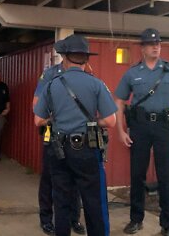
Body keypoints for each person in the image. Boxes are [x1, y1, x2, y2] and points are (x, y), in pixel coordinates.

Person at [34, 34, 117, 236]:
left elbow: (38, 120)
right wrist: (91, 122)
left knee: (61, 202)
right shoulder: (96, 84)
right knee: (93, 202)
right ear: (86, 58)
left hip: (59, 150)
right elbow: (110, 121)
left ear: (65, 56)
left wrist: (56, 120)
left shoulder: (52, 84)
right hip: (87, 150)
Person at [115, 28, 169, 236]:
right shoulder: (132, 73)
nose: (155, 46)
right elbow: (120, 101)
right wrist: (121, 131)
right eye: (151, 44)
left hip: (165, 127)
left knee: (165, 175)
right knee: (137, 174)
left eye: (158, 43)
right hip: (139, 127)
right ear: (142, 48)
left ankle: (167, 225)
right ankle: (136, 219)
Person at [33, 61, 85, 236]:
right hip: (53, 134)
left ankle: (74, 218)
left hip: (76, 136)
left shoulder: (83, 72)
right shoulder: (50, 74)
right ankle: (46, 219)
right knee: (49, 178)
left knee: (76, 179)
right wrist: (52, 118)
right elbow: (36, 104)